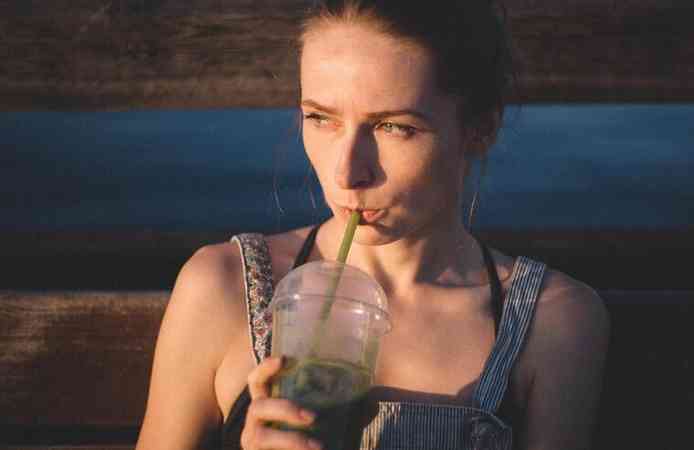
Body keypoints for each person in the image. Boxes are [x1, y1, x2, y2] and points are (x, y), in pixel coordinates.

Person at [135, 1, 610, 449]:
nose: (347, 173)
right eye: (320, 118)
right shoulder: (224, 288)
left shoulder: (551, 320)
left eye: (393, 127)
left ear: (480, 128)